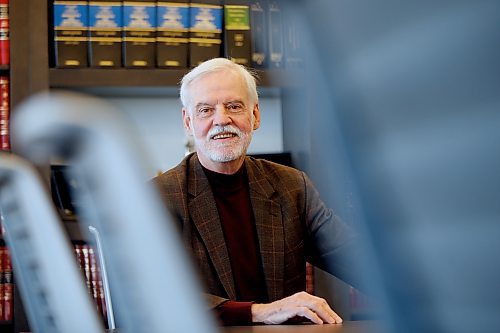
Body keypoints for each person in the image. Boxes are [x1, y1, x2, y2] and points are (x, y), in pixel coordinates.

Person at [152, 58, 364, 326]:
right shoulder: (157, 198)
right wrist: (260, 312)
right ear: (188, 121)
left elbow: (359, 261)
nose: (221, 120)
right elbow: (154, 293)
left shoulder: (292, 185)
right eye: (206, 110)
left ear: (255, 116)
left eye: (234, 106)